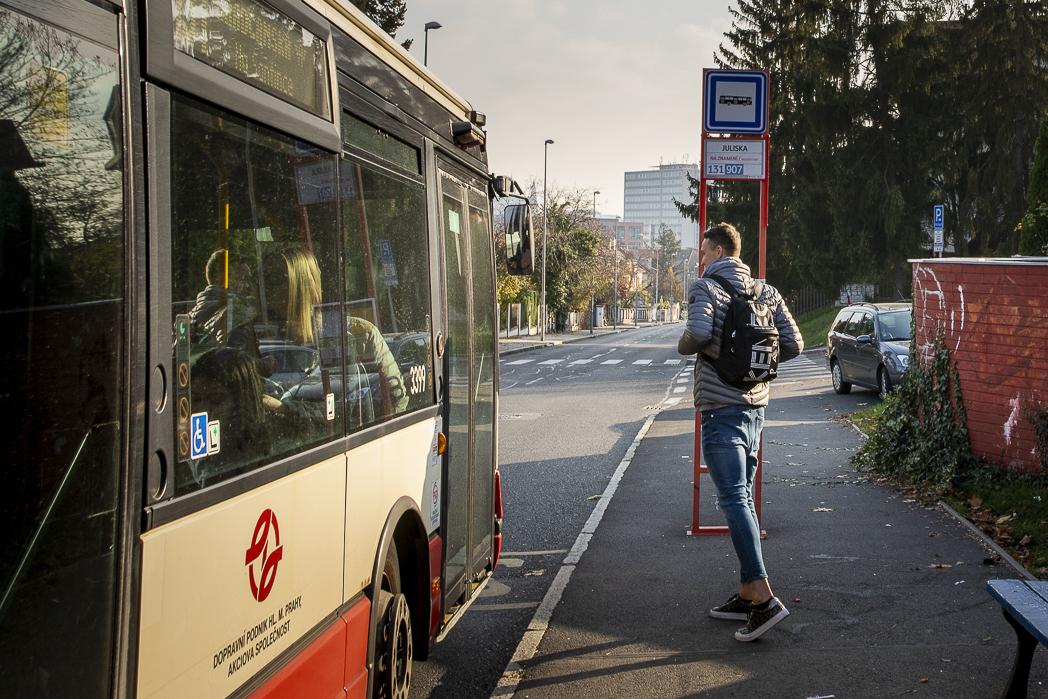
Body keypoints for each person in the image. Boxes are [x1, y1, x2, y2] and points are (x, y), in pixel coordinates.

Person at [677, 222, 803, 642]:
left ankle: (764, 598)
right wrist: (751, 364)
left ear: (716, 251)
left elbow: (695, 333)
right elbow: (795, 344)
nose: (701, 258)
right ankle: (747, 592)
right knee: (742, 498)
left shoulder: (706, 288)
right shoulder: (765, 291)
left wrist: (704, 351)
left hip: (720, 408)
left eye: (703, 251)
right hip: (756, 409)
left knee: (733, 499)